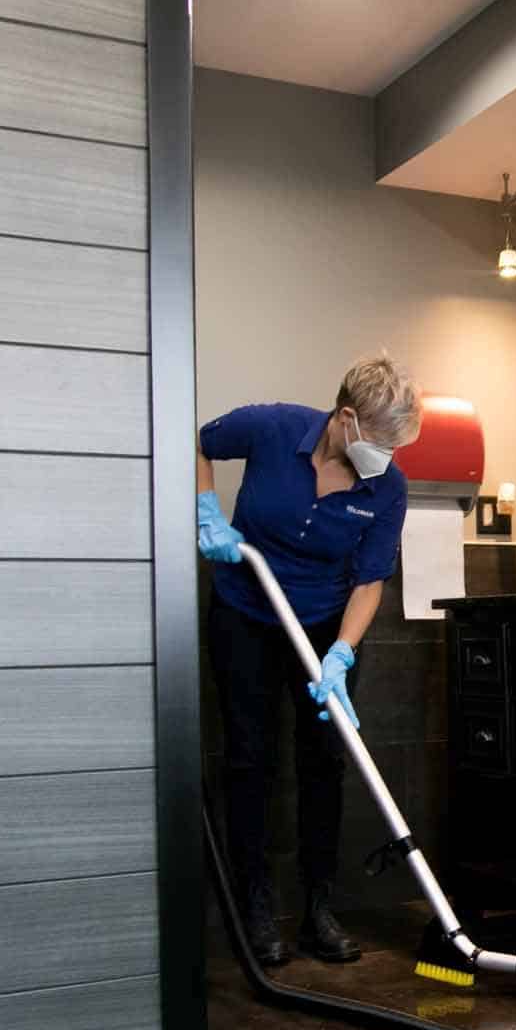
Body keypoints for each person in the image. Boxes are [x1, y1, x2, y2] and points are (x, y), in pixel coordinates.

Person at [197, 353, 420, 967]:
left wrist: (342, 654)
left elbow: (370, 580)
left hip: (324, 627)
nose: (389, 459)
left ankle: (319, 910)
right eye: (382, 443)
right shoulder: (270, 428)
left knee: (324, 765)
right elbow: (198, 443)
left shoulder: (387, 487)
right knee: (250, 760)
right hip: (246, 613)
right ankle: (256, 909)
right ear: (345, 418)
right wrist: (206, 508)